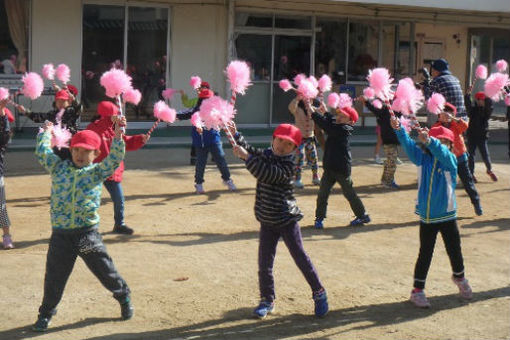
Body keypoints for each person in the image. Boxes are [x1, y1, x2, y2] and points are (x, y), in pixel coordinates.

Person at [33, 120, 133, 332]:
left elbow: (115, 158)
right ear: (70, 150)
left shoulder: (96, 172)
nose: (79, 154)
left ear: (96, 154)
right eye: (76, 149)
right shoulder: (58, 167)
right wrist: (46, 132)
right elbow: (42, 152)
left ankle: (123, 295)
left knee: (104, 270)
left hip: (87, 236)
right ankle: (46, 313)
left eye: (86, 151)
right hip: (61, 236)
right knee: (54, 276)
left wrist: (117, 135)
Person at [230, 123, 329, 319]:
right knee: (264, 263)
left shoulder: (289, 165)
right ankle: (267, 299)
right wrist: (236, 135)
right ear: (273, 138)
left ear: (295, 149)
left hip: (286, 219)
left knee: (300, 257)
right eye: (280, 140)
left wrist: (246, 157)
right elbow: (252, 152)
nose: (282, 146)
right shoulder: (267, 153)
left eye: (288, 144)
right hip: (267, 220)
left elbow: (266, 173)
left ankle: (319, 292)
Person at [391, 119, 472, 308]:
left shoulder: (450, 160)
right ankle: (417, 290)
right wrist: (399, 129)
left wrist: (431, 141)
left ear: (451, 144)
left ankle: (460, 278)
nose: (442, 145)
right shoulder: (422, 158)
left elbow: (442, 153)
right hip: (427, 217)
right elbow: (408, 145)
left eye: (446, 142)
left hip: (447, 215)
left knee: (455, 250)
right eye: (438, 140)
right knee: (425, 253)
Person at [86, 101, 149, 235]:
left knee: (119, 199)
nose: (117, 116)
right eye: (114, 114)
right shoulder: (93, 128)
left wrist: (140, 139)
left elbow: (124, 142)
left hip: (110, 171)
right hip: (94, 170)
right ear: (106, 115)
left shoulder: (113, 129)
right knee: (89, 200)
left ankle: (119, 224)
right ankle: (86, 227)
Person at [309, 103, 370, 228]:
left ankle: (362, 215)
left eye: (343, 116)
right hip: (330, 168)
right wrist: (325, 112)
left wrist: (313, 112)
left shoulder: (345, 129)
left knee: (349, 194)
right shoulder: (339, 126)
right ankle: (319, 219)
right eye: (339, 115)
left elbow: (328, 126)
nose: (339, 117)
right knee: (322, 194)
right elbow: (331, 122)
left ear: (351, 122)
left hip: (341, 169)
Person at [176, 87, 236, 194]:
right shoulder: (195, 110)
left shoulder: (217, 110)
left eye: (209, 99)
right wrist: (169, 115)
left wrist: (227, 123)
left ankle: (228, 180)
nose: (207, 101)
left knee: (221, 161)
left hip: (214, 140)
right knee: (200, 163)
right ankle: (199, 184)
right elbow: (181, 114)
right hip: (200, 142)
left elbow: (224, 120)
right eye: (205, 99)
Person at [432, 103, 483, 216]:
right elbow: (432, 138)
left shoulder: (455, 124)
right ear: (439, 115)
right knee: (446, 185)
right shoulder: (436, 126)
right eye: (442, 113)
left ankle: (476, 203)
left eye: (448, 113)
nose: (445, 115)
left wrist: (453, 118)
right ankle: (446, 209)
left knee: (468, 183)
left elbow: (465, 126)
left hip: (460, 158)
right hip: (445, 161)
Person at [21, 86, 82, 160]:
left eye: (63, 101)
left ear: (68, 102)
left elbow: (79, 108)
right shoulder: (53, 114)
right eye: (58, 101)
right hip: (57, 144)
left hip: (71, 143)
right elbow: (39, 117)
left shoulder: (71, 111)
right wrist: (26, 112)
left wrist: (74, 99)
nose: (60, 103)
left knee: (71, 163)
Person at [362, 98, 401, 188]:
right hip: (388, 139)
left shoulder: (398, 111)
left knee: (389, 161)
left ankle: (385, 179)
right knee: (392, 162)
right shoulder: (384, 110)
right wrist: (366, 102)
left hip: (393, 139)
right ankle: (388, 181)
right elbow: (374, 110)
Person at [288, 94, 320, 188]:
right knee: (300, 157)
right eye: (306, 98)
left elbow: (322, 114)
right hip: (299, 138)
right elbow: (291, 108)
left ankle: (315, 176)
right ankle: (297, 179)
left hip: (310, 137)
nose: (308, 100)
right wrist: (297, 98)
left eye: (310, 99)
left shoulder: (313, 109)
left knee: (314, 157)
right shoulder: (297, 108)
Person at [465, 90, 497, 182]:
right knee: (470, 155)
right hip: (472, 136)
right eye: (478, 99)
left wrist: (488, 97)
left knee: (485, 154)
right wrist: (467, 95)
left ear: (485, 100)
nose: (479, 101)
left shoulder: (487, 111)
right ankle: (471, 173)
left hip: (482, 137)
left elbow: (489, 106)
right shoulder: (472, 110)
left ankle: (489, 170)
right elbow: (468, 105)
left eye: (481, 99)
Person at [422, 58, 467, 123]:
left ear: (436, 71)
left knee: (432, 114)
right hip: (462, 121)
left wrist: (425, 89)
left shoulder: (437, 81)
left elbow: (429, 102)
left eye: (432, 70)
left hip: (449, 122)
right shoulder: (455, 79)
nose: (432, 73)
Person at [180, 81, 210, 165]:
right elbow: (187, 105)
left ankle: (215, 156)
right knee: (196, 141)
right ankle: (193, 158)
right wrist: (183, 95)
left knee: (210, 141)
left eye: (204, 89)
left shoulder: (211, 100)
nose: (201, 91)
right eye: (200, 89)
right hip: (197, 124)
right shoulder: (195, 100)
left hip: (208, 125)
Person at [0, 100, 13, 249]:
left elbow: (5, 134)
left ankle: (6, 236)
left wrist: (2, 112)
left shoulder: (2, 141)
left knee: (1, 207)